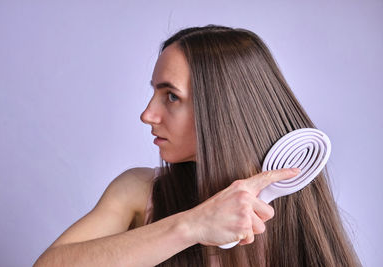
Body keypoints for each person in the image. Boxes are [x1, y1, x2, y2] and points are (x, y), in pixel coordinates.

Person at [34, 25, 361, 266]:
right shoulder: (138, 191)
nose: (147, 114)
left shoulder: (294, 200)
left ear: (224, 109)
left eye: (171, 96)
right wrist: (191, 226)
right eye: (155, 93)